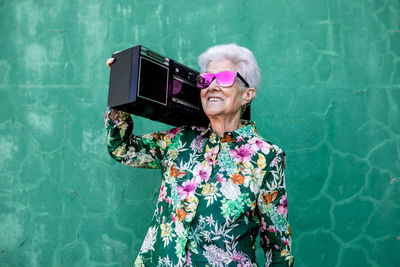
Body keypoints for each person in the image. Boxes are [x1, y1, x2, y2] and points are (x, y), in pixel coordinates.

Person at [105, 43, 294, 266]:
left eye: (224, 78)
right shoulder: (179, 140)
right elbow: (122, 149)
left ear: (248, 94)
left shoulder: (267, 157)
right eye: (205, 80)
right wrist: (122, 80)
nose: (212, 86)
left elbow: (278, 248)